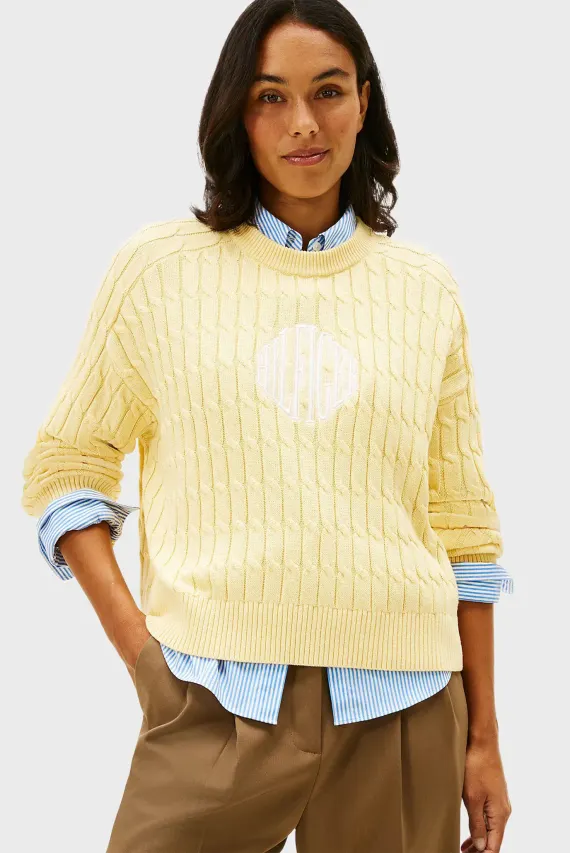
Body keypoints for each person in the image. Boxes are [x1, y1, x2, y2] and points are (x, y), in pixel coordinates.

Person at [21, 1, 514, 851]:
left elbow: (466, 529)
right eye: (270, 97)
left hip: (405, 708)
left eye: (328, 91)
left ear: (364, 101)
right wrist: (146, 660)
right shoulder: (158, 270)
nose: (303, 123)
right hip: (212, 703)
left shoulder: (425, 289)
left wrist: (484, 739)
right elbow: (66, 467)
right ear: (235, 112)